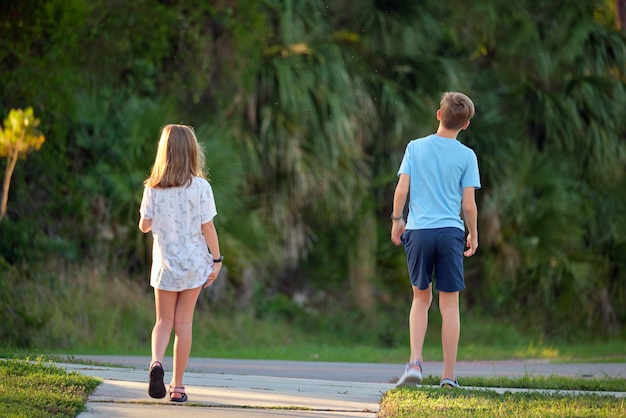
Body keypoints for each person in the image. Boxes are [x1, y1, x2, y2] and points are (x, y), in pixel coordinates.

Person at [391, 92, 480, 389]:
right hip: (450, 232)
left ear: (438, 115)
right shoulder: (467, 156)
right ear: (465, 125)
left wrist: (396, 220)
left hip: (418, 232)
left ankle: (415, 361)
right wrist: (474, 234)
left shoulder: (415, 148)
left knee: (420, 298)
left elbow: (402, 190)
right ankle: (448, 376)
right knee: (449, 304)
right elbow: (468, 204)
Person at [139, 124, 223, 402]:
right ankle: (177, 387)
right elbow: (207, 227)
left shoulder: (153, 187)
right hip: (193, 264)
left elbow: (144, 226)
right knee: (183, 324)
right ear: (191, 152)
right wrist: (217, 260)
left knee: (163, 320)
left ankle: (155, 363)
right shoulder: (200, 187)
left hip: (165, 264)